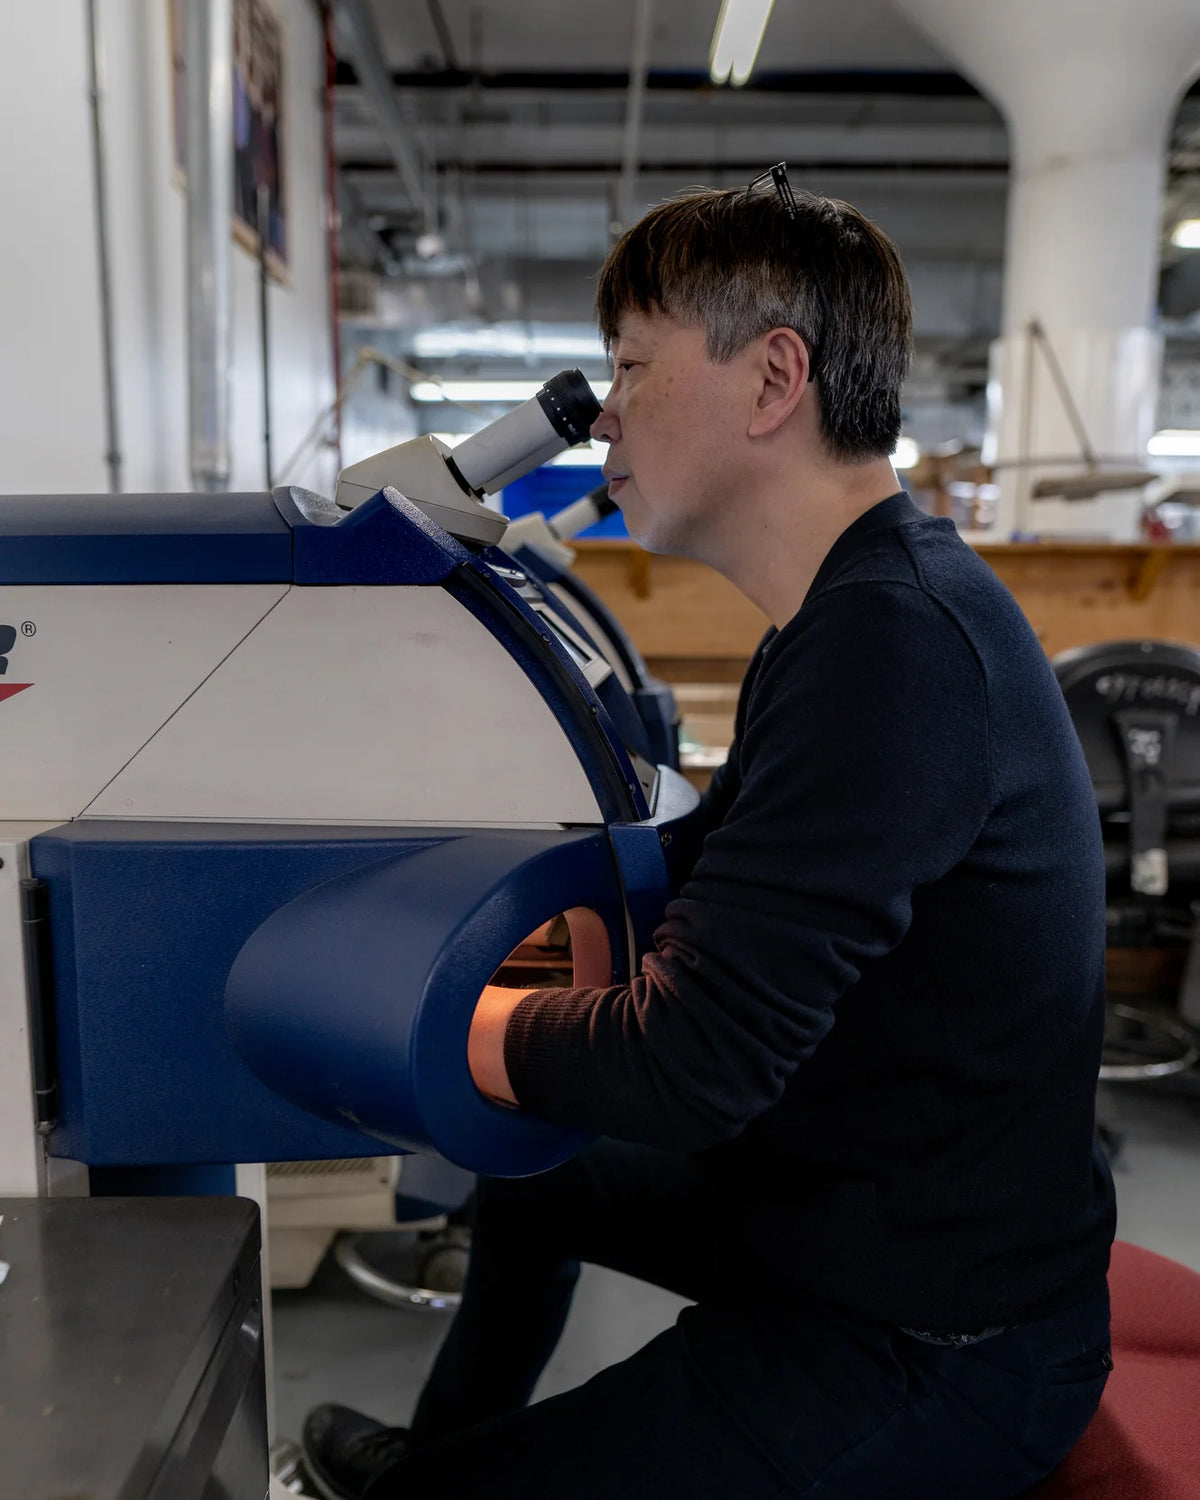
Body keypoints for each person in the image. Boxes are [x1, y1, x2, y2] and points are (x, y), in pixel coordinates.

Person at [302, 168, 1116, 1500]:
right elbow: (705, 881)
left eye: (634, 364)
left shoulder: (894, 646)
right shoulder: (851, 610)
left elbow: (689, 1066)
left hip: (931, 1334)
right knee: (538, 1180)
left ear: (774, 378)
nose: (607, 410)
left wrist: (429, 1016)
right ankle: (439, 1451)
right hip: (836, 1204)